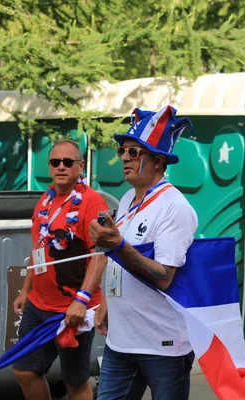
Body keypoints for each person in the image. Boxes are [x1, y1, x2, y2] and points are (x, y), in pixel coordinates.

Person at [89, 105, 198, 400]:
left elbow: (164, 277)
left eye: (134, 152)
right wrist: (107, 302)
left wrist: (118, 246)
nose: (124, 157)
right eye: (122, 150)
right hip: (121, 343)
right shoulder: (126, 199)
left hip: (162, 346)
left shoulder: (174, 207)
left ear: (158, 161)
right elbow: (119, 263)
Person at [12, 139, 108, 400]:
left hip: (72, 309)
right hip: (38, 306)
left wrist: (82, 300)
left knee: (75, 381)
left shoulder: (92, 202)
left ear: (81, 166)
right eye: (56, 162)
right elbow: (39, 249)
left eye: (68, 162)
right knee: (24, 370)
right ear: (49, 166)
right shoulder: (45, 200)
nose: (61, 167)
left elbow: (100, 256)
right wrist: (25, 290)